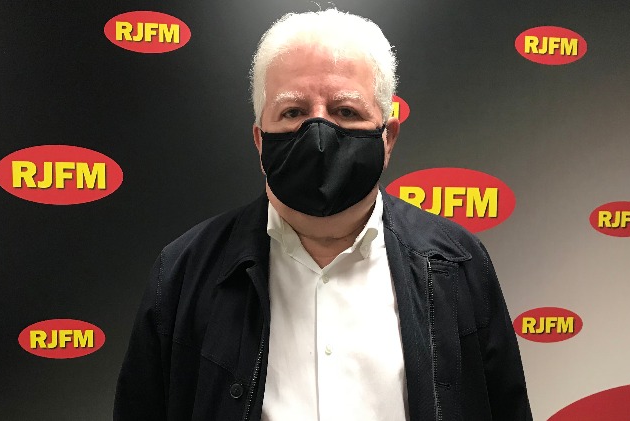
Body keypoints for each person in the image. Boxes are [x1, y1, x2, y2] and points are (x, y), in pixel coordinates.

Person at [114, 9, 532, 421]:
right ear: (260, 140)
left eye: (346, 111)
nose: (318, 135)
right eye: (293, 112)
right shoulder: (184, 273)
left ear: (387, 137)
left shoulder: (457, 265)